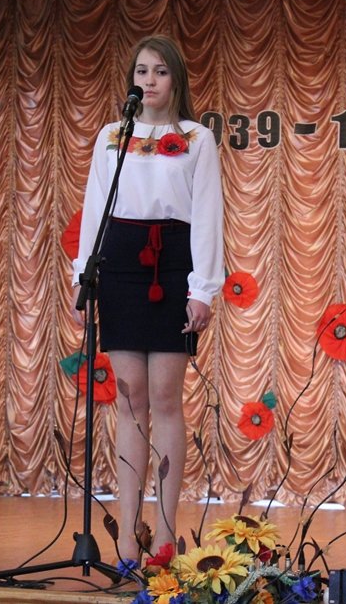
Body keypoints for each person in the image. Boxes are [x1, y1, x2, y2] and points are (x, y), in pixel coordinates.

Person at [70, 35, 224, 564]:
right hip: (119, 263)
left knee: (163, 396)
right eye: (141, 71)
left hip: (172, 262)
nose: (149, 81)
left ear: (176, 78)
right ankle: (126, 531)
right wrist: (83, 272)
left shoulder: (197, 138)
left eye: (159, 71)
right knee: (129, 396)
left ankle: (164, 530)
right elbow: (96, 206)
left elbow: (207, 213)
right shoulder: (113, 136)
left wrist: (202, 288)